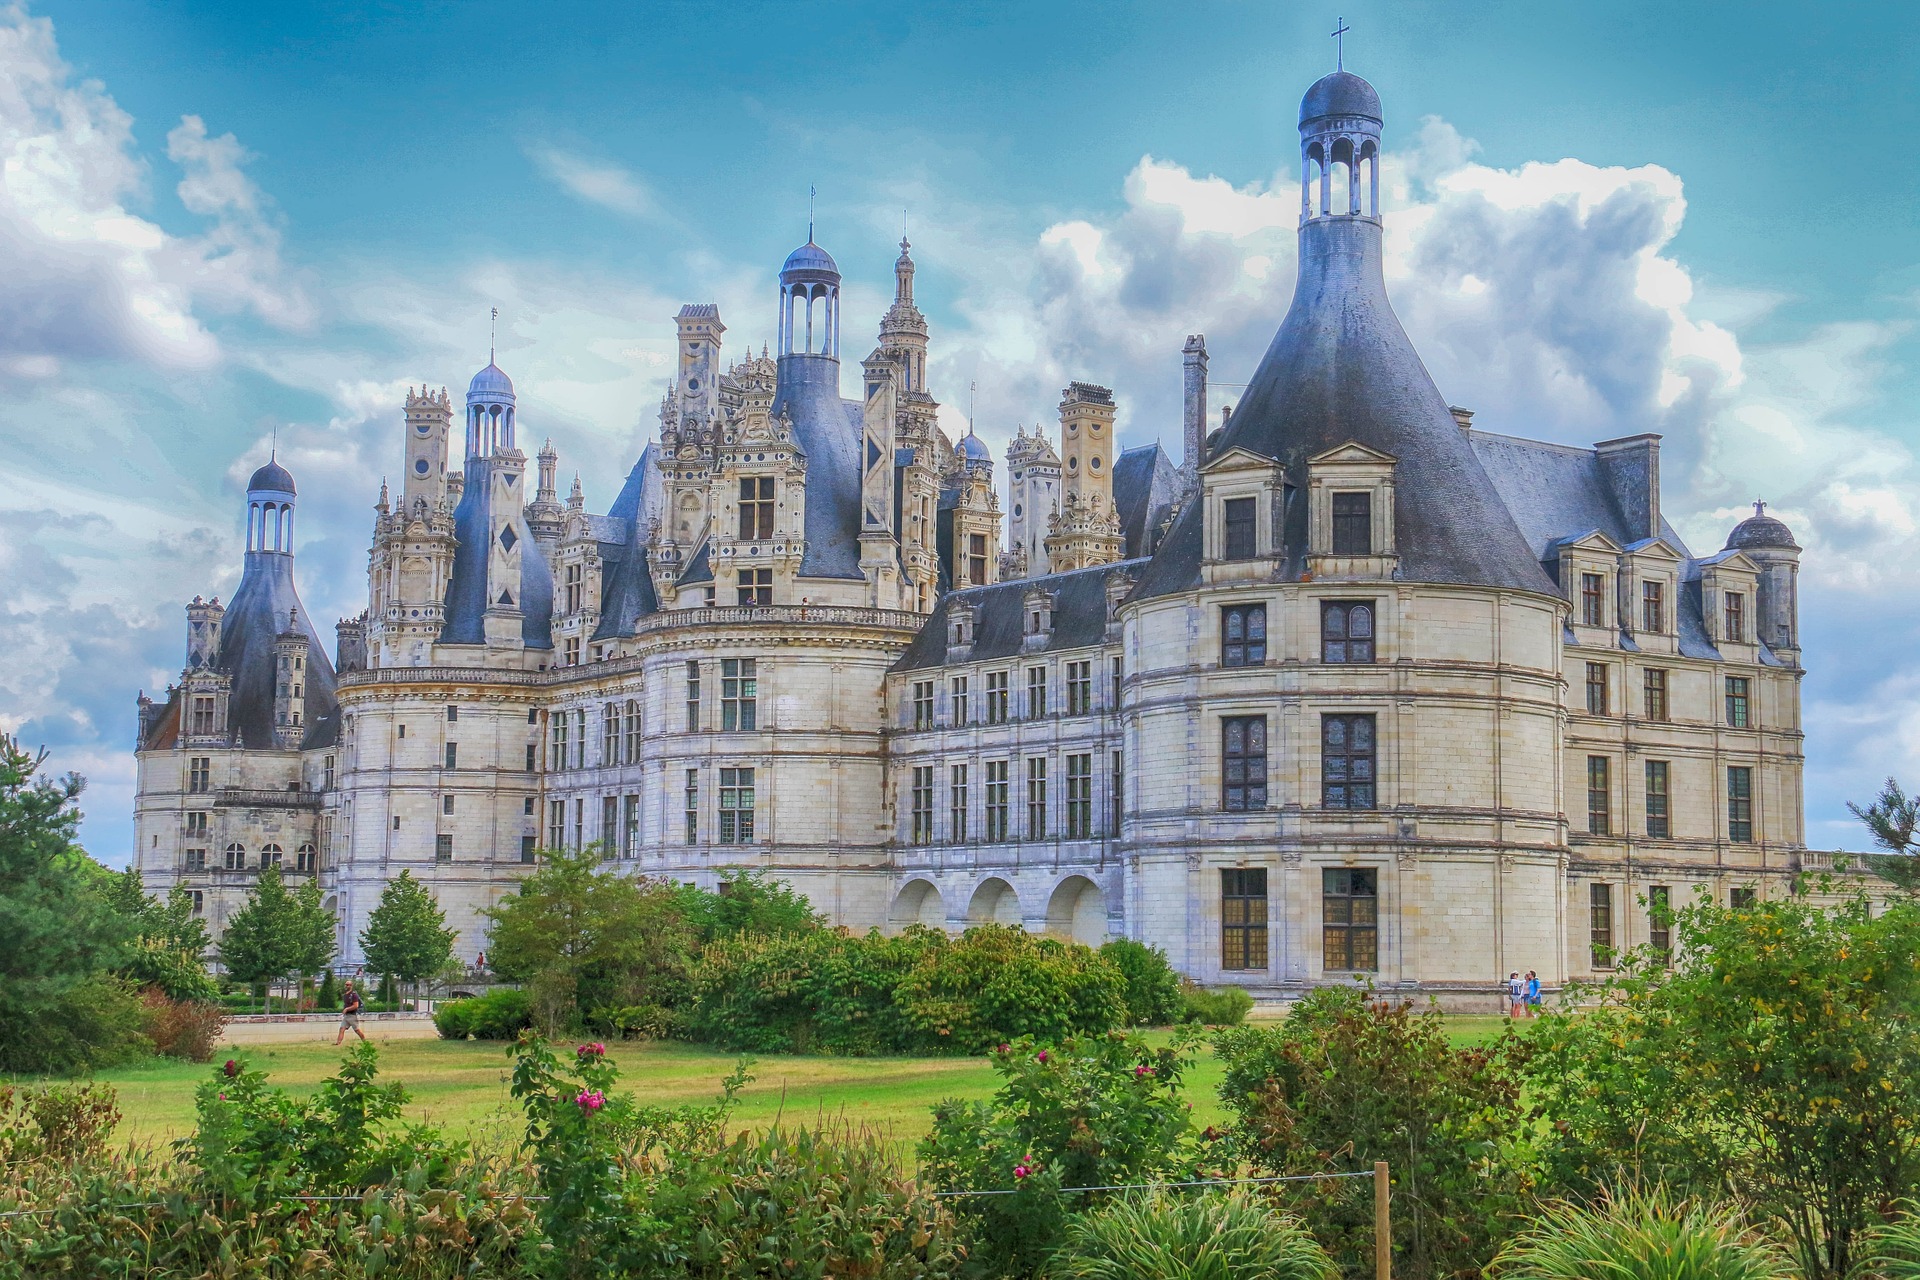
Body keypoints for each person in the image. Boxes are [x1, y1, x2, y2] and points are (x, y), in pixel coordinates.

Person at [335, 980, 367, 1045]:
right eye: (346, 984)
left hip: (352, 1016)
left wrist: (347, 1009)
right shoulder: (345, 995)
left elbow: (356, 1006)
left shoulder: (354, 995)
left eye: (348, 985)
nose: (346, 986)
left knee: (357, 1030)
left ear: (351, 986)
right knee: (342, 1029)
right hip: (346, 1016)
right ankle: (338, 1043)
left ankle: (365, 1042)